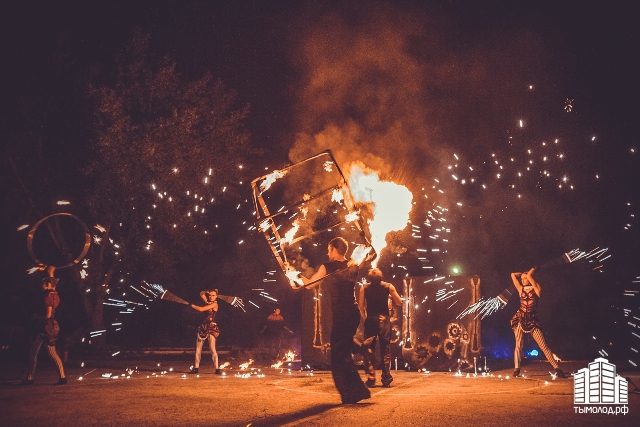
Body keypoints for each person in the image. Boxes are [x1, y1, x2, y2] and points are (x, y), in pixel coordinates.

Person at [299, 237, 370, 404]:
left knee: (339, 356)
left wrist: (297, 276)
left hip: (342, 314)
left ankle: (353, 392)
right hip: (353, 313)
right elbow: (370, 256)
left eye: (329, 250)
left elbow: (310, 285)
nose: (327, 253)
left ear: (335, 249)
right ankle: (361, 350)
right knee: (343, 350)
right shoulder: (353, 264)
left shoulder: (327, 267)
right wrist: (367, 243)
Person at [510, 267, 566, 378]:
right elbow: (512, 275)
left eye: (525, 278)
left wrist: (533, 268)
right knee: (518, 345)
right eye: (522, 279)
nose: (523, 280)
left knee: (543, 346)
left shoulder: (537, 288)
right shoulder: (520, 289)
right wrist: (521, 274)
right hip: (520, 319)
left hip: (533, 321)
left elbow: (530, 275)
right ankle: (517, 369)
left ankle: (557, 369)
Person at [20, 266, 66, 385]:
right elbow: (53, 284)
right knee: (47, 353)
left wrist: (36, 317)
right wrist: (51, 272)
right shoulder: (53, 293)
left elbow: (48, 314)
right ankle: (62, 377)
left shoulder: (49, 296)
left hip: (45, 326)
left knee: (36, 353)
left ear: (48, 285)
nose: (42, 285)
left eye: (44, 284)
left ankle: (30, 378)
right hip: (49, 325)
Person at [358, 268, 402, 387]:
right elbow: (399, 302)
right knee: (385, 349)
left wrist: (366, 319)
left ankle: (371, 379)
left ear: (369, 278)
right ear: (381, 277)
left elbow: (361, 307)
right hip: (385, 321)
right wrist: (390, 298)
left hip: (371, 320)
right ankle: (386, 379)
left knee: (369, 349)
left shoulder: (364, 288)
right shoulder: (388, 286)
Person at [188, 289, 221, 375]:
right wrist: (207, 291)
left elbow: (201, 309)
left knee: (212, 349)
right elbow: (201, 293)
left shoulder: (215, 304)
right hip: (203, 327)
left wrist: (192, 305)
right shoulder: (207, 302)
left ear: (216, 296)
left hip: (211, 327)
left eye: (213, 295)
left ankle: (217, 369)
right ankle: (196, 368)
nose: (211, 297)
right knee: (198, 349)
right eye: (210, 295)